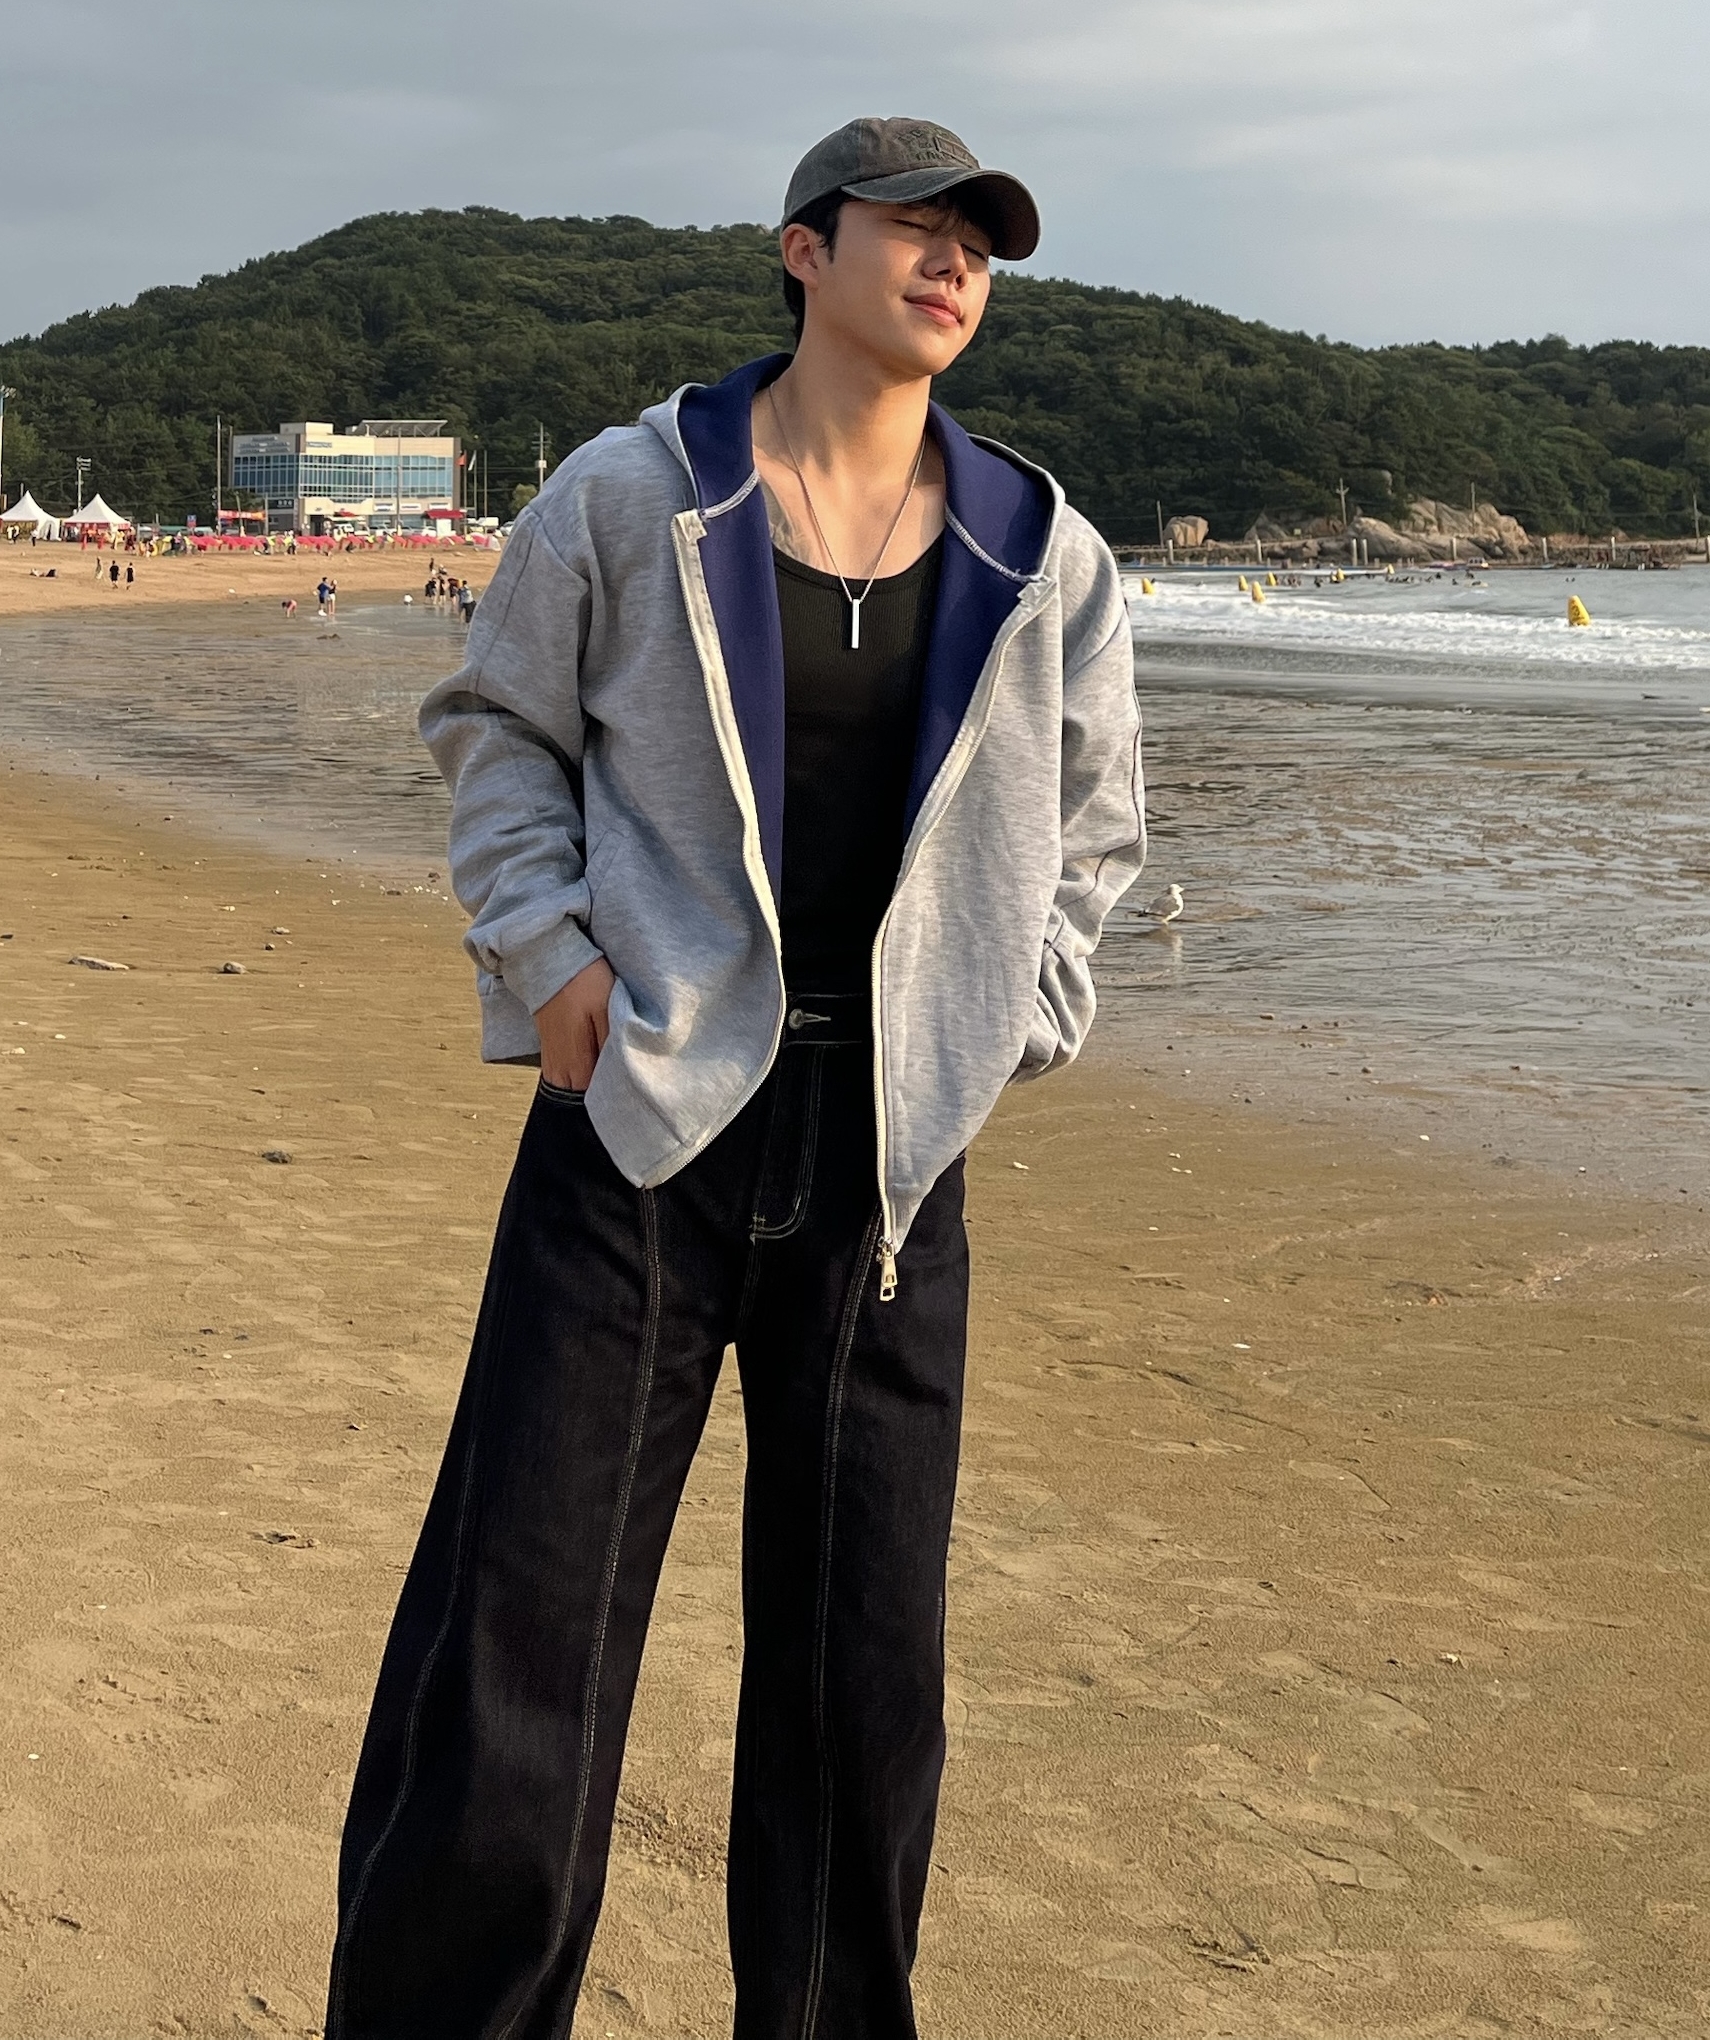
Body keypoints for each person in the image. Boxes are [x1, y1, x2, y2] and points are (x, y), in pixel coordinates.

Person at [326, 117, 1144, 2040]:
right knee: (518, 1660)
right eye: (911, 227)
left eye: (979, 244)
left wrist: (1015, 1014)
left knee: (864, 1693)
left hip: (891, 1168)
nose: (951, 264)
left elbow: (1096, 823)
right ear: (802, 249)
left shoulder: (1043, 549)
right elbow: (497, 730)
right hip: (644, 1129)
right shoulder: (636, 494)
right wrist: (551, 966)